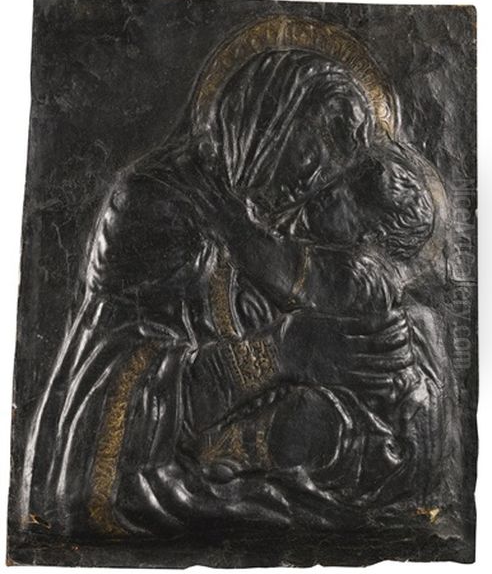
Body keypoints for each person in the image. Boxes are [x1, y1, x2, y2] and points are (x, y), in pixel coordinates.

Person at [20, 44, 447, 539]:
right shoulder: (157, 208)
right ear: (258, 137)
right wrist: (279, 353)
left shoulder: (314, 221)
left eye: (325, 180)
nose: (300, 202)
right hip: (172, 472)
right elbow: (108, 409)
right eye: (303, 171)